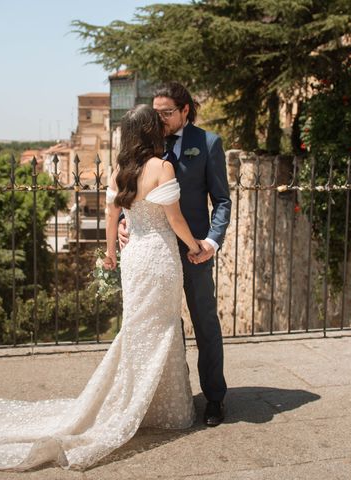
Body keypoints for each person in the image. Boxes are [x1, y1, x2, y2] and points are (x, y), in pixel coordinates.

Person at [0, 104, 202, 471]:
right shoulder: (162, 167)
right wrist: (194, 246)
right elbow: (175, 219)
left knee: (139, 329)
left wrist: (111, 254)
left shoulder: (118, 172)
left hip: (135, 260)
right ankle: (160, 410)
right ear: (150, 133)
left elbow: (113, 217)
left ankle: (141, 402)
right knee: (162, 328)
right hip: (160, 257)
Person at [119, 82, 231, 427]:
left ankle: (214, 398)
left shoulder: (208, 143)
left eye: (168, 112)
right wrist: (126, 221)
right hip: (155, 252)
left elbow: (222, 201)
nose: (161, 118)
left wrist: (211, 242)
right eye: (157, 113)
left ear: (186, 110)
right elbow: (131, 189)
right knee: (163, 326)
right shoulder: (144, 148)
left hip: (194, 251)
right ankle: (176, 395)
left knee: (205, 323)